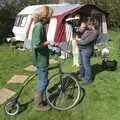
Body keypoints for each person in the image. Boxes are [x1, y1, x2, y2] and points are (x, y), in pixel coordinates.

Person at [31, 6, 53, 111]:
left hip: (43, 58)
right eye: (50, 16)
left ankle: (44, 99)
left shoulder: (40, 25)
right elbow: (36, 44)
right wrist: (47, 42)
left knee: (44, 80)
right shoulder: (39, 26)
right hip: (41, 59)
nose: (50, 18)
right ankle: (38, 104)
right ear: (46, 16)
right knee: (43, 82)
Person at [77, 19, 98, 85]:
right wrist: (79, 29)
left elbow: (84, 42)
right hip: (81, 49)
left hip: (86, 50)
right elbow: (81, 34)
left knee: (86, 65)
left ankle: (88, 80)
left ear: (93, 25)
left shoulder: (94, 33)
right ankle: (82, 75)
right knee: (81, 64)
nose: (87, 25)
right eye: (88, 24)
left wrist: (77, 40)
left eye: (89, 24)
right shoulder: (88, 31)